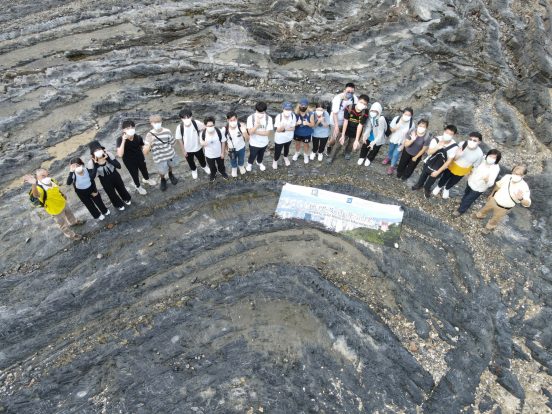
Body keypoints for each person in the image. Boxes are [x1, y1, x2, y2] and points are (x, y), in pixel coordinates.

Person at [23, 169, 82, 240]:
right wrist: (33, 184)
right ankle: (71, 235)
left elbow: (57, 188)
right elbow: (36, 195)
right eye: (43, 176)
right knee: (63, 225)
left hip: (63, 203)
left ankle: (74, 222)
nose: (46, 177)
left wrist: (63, 194)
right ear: (37, 177)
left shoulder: (52, 180)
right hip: (55, 210)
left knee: (70, 214)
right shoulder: (39, 187)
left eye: (47, 175)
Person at [475, 165, 531, 233]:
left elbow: (527, 203)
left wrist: (521, 199)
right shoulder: (507, 177)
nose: (515, 175)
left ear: (523, 176)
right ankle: (480, 216)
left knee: (495, 219)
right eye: (514, 173)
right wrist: (492, 194)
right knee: (484, 209)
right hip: (494, 200)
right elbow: (498, 185)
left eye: (518, 174)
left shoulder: (524, 187)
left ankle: (489, 227)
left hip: (503, 208)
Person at [432, 131, 485, 199]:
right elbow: (453, 156)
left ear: (479, 142)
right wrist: (458, 155)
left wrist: (471, 173)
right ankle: (438, 186)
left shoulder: (479, 153)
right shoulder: (462, 144)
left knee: (454, 181)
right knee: (445, 177)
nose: (471, 141)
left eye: (475, 140)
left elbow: (475, 165)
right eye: (470, 139)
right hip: (452, 165)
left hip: (462, 170)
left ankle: (446, 188)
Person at [412, 125, 459, 198]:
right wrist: (438, 147)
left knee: (432, 180)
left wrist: (438, 171)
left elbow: (448, 161)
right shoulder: (436, 139)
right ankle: (419, 185)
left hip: (439, 167)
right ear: (444, 131)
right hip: (429, 162)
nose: (448, 135)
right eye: (447, 132)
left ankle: (427, 188)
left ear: (454, 135)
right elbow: (429, 152)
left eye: (450, 134)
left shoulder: (454, 146)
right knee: (423, 175)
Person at [453, 149, 501, 217]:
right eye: (490, 156)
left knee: (469, 199)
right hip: (471, 180)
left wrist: (486, 180)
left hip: (479, 187)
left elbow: (491, 183)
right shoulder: (483, 158)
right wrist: (471, 170)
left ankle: (460, 210)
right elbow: (475, 165)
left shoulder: (495, 168)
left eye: (494, 158)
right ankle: (462, 200)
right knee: (467, 192)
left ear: (497, 159)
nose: (491, 158)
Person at [87, 141, 132, 210]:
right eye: (95, 151)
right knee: (111, 193)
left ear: (102, 149)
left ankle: (126, 198)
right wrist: (95, 166)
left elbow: (119, 166)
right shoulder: (90, 163)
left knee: (121, 187)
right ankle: (118, 204)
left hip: (115, 175)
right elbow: (91, 177)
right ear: (92, 153)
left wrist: (108, 159)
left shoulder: (108, 154)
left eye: (99, 149)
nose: (98, 151)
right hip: (104, 179)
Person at [116, 119, 156, 195]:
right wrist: (124, 140)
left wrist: (148, 145)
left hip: (140, 157)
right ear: (123, 130)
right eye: (128, 128)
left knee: (144, 169)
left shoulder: (138, 137)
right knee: (134, 174)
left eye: (132, 128)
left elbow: (143, 147)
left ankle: (147, 179)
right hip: (129, 161)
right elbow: (120, 154)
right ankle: (138, 186)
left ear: (134, 128)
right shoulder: (120, 139)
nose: (130, 130)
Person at [144, 114, 178, 191]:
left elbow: (173, 143)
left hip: (169, 154)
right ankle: (163, 179)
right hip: (159, 158)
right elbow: (145, 152)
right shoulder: (149, 135)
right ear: (151, 123)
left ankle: (171, 174)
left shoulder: (167, 131)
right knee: (161, 170)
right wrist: (150, 143)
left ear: (161, 122)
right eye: (154, 122)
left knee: (170, 165)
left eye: (158, 122)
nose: (157, 124)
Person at [175, 108, 211, 180]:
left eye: (188, 117)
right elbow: (179, 140)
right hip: (187, 149)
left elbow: (204, 127)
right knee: (190, 161)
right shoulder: (179, 127)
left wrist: (201, 136)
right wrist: (183, 150)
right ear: (181, 119)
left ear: (191, 117)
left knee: (202, 159)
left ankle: (204, 166)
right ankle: (194, 170)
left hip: (198, 147)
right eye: (184, 118)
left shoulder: (196, 123)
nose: (187, 119)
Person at [327, 82, 358, 157]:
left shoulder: (354, 99)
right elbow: (335, 113)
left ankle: (341, 151)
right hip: (335, 121)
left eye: (352, 92)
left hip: (346, 122)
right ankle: (328, 146)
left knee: (341, 137)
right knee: (333, 138)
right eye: (348, 92)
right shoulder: (338, 98)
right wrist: (336, 126)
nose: (350, 93)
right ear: (344, 91)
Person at [335, 94, 370, 161]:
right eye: (361, 102)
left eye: (364, 104)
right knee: (339, 143)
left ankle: (347, 153)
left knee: (351, 144)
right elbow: (345, 121)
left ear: (366, 105)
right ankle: (332, 156)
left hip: (356, 131)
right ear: (358, 100)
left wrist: (357, 140)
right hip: (346, 129)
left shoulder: (365, 112)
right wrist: (342, 135)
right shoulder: (349, 107)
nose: (362, 104)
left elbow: (360, 125)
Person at [356, 102, 387, 166]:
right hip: (371, 134)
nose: (373, 112)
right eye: (372, 110)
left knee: (375, 149)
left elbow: (381, 133)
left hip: (378, 137)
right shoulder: (370, 117)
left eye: (375, 111)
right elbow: (369, 127)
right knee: (365, 146)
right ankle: (362, 157)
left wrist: (374, 141)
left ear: (379, 111)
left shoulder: (381, 119)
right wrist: (365, 135)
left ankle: (369, 159)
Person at [384, 108, 413, 175]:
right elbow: (391, 129)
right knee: (391, 150)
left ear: (411, 116)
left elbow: (410, 136)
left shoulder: (412, 124)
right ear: (403, 113)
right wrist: (397, 127)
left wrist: (403, 145)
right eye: (406, 114)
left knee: (396, 154)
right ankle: (388, 157)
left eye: (409, 115)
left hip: (402, 142)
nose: (407, 116)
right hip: (393, 139)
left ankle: (392, 166)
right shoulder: (397, 118)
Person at [246, 102, 273, 172]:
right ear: (256, 110)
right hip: (253, 143)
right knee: (252, 154)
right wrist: (256, 125)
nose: (260, 114)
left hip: (264, 142)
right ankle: (249, 163)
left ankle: (259, 162)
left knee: (261, 154)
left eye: (262, 112)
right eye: (259, 112)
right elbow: (249, 133)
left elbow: (267, 133)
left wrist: (254, 131)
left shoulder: (269, 119)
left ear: (265, 111)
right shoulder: (250, 118)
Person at [200, 116, 228, 182]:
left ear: (214, 125)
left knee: (221, 165)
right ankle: (213, 173)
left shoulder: (219, 131)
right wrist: (204, 143)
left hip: (219, 153)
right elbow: (201, 142)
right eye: (208, 126)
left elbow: (223, 141)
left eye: (212, 125)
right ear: (205, 125)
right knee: (212, 166)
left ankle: (222, 172)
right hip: (209, 155)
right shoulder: (202, 134)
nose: (210, 127)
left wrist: (222, 152)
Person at [221, 112, 249, 177]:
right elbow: (223, 141)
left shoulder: (242, 126)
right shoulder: (224, 130)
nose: (233, 121)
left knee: (241, 159)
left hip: (241, 147)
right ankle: (234, 168)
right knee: (232, 160)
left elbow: (247, 139)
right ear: (227, 120)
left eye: (234, 120)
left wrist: (244, 132)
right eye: (231, 120)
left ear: (237, 119)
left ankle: (241, 166)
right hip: (231, 149)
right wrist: (225, 150)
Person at [273, 102, 296, 169]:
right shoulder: (279, 117)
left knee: (287, 149)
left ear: (291, 110)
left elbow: (294, 128)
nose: (288, 111)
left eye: (289, 109)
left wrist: (284, 128)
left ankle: (285, 157)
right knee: (278, 151)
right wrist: (286, 128)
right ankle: (275, 160)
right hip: (279, 139)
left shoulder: (293, 116)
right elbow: (277, 130)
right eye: (286, 109)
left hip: (289, 137)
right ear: (283, 109)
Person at [292, 98, 315, 164]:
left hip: (306, 133)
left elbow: (313, 124)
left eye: (304, 106)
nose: (303, 107)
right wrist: (296, 123)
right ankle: (297, 153)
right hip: (297, 132)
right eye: (302, 105)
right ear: (299, 105)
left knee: (306, 145)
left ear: (307, 106)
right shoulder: (295, 113)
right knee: (297, 144)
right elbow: (291, 125)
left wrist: (307, 123)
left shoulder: (311, 114)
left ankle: (305, 155)